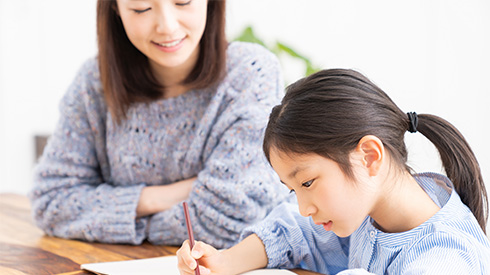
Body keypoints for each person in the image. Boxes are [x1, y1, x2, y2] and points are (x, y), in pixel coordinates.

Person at [177, 69, 490, 274]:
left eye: (308, 182)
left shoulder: (446, 260)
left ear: (368, 156)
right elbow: (295, 230)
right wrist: (224, 262)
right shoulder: (372, 213)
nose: (303, 206)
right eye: (293, 189)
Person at [29, 0, 288, 248]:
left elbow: (229, 221)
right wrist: (167, 196)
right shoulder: (95, 81)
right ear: (116, 9)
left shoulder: (250, 72)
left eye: (183, 2)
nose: (167, 26)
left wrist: (122, 217)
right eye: (141, 8)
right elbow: (51, 202)